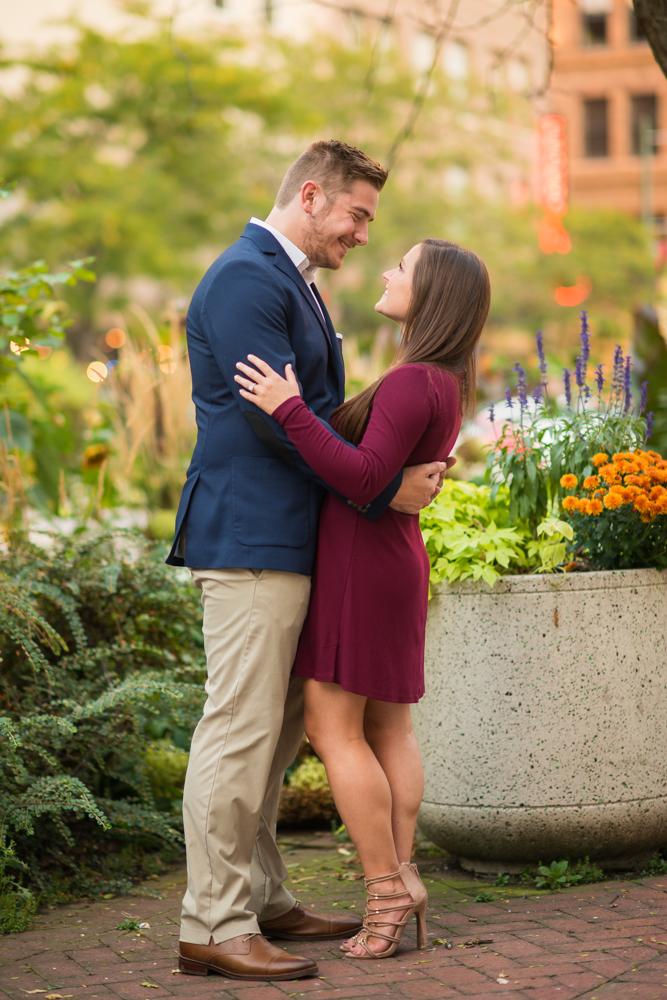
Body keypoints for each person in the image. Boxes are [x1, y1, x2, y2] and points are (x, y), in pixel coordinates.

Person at [167, 140, 450, 983]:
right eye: (359, 214)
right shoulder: (249, 279)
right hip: (252, 540)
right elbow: (275, 421)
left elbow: (316, 412)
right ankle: (212, 922)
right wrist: (379, 489)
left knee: (277, 734)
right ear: (314, 196)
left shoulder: (291, 280)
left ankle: (259, 898)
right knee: (239, 730)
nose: (364, 233)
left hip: (293, 543)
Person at [234, 237, 491, 960]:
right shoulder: (443, 380)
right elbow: (386, 473)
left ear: (432, 292)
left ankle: (385, 889)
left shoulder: (415, 380)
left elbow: (362, 475)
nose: (385, 269)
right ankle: (400, 880)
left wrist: (288, 408)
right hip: (390, 560)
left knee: (333, 728)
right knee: (389, 730)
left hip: (363, 563)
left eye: (401, 267)